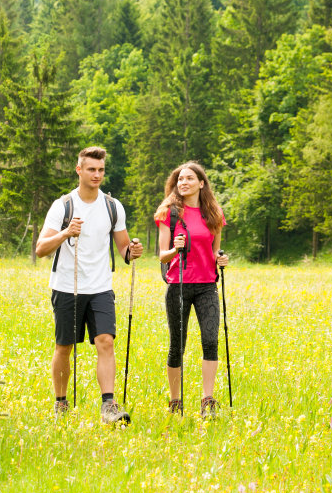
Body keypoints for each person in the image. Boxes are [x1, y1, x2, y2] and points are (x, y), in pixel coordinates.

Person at [35, 146, 144, 424]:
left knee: (105, 342)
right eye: (91, 169)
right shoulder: (63, 205)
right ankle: (61, 403)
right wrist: (66, 232)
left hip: (100, 288)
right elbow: (40, 249)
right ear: (79, 170)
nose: (97, 175)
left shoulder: (112, 206)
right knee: (64, 347)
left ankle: (109, 406)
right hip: (66, 287)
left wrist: (133, 250)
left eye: (101, 170)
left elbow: (124, 250)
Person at [154, 161, 229, 417]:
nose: (183, 183)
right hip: (179, 285)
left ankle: (207, 401)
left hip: (207, 285)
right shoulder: (168, 212)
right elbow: (162, 256)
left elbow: (214, 250)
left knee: (210, 341)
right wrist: (175, 248)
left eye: (188, 178)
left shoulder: (214, 213)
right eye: (179, 179)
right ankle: (176, 403)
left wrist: (221, 259)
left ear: (201, 183)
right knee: (178, 345)